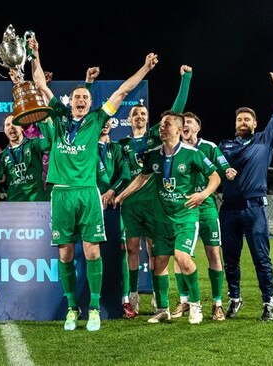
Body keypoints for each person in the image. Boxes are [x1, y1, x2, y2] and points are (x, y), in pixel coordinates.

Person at [29, 35, 157, 331]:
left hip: (88, 193)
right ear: (70, 101)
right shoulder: (58, 116)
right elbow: (39, 83)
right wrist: (35, 53)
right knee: (65, 253)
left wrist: (145, 69)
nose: (82, 101)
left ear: (90, 102)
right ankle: (72, 308)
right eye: (77, 97)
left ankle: (95, 308)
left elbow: (124, 90)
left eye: (86, 98)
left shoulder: (99, 119)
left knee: (92, 252)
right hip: (61, 193)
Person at [115, 111, 221, 324]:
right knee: (159, 262)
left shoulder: (193, 154)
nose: (162, 128)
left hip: (185, 217)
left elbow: (215, 177)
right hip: (162, 219)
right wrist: (122, 196)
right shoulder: (154, 155)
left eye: (167, 124)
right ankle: (163, 309)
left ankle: (195, 304)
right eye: (161, 125)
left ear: (180, 130)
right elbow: (142, 177)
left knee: (182, 258)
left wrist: (203, 194)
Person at [117, 65, 193, 313]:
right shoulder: (123, 144)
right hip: (131, 205)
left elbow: (177, 111)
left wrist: (186, 79)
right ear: (128, 119)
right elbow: (121, 174)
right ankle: (133, 294)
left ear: (148, 119)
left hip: (154, 202)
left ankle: (157, 297)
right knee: (131, 249)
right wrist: (117, 194)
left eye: (143, 113)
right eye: (135, 114)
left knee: (154, 249)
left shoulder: (154, 136)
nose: (139, 116)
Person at [218, 65, 273, 321]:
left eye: (247, 119)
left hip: (255, 207)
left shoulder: (264, 141)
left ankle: (268, 301)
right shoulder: (223, 146)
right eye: (239, 119)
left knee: (261, 258)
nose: (243, 122)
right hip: (228, 209)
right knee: (230, 260)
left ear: (255, 124)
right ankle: (234, 299)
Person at [173, 112, 236, 321]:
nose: (185, 125)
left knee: (213, 253)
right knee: (180, 255)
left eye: (190, 122)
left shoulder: (208, 147)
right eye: (183, 123)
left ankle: (217, 304)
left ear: (197, 128)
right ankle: (184, 300)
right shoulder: (174, 150)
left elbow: (222, 165)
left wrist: (227, 171)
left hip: (206, 205)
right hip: (184, 206)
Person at [96, 120, 132, 317]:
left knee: (121, 251)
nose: (104, 125)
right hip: (91, 205)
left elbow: (125, 174)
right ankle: (95, 297)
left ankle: (124, 299)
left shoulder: (116, 148)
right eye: (102, 121)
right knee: (91, 251)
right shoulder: (86, 147)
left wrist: (112, 191)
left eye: (107, 121)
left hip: (113, 205)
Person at [0, 114, 50, 206]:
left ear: (21, 127)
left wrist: (44, 121)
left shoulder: (34, 144)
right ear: (4, 130)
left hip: (37, 201)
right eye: (7, 125)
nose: (11, 127)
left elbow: (48, 144)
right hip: (14, 204)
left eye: (14, 123)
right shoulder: (3, 156)